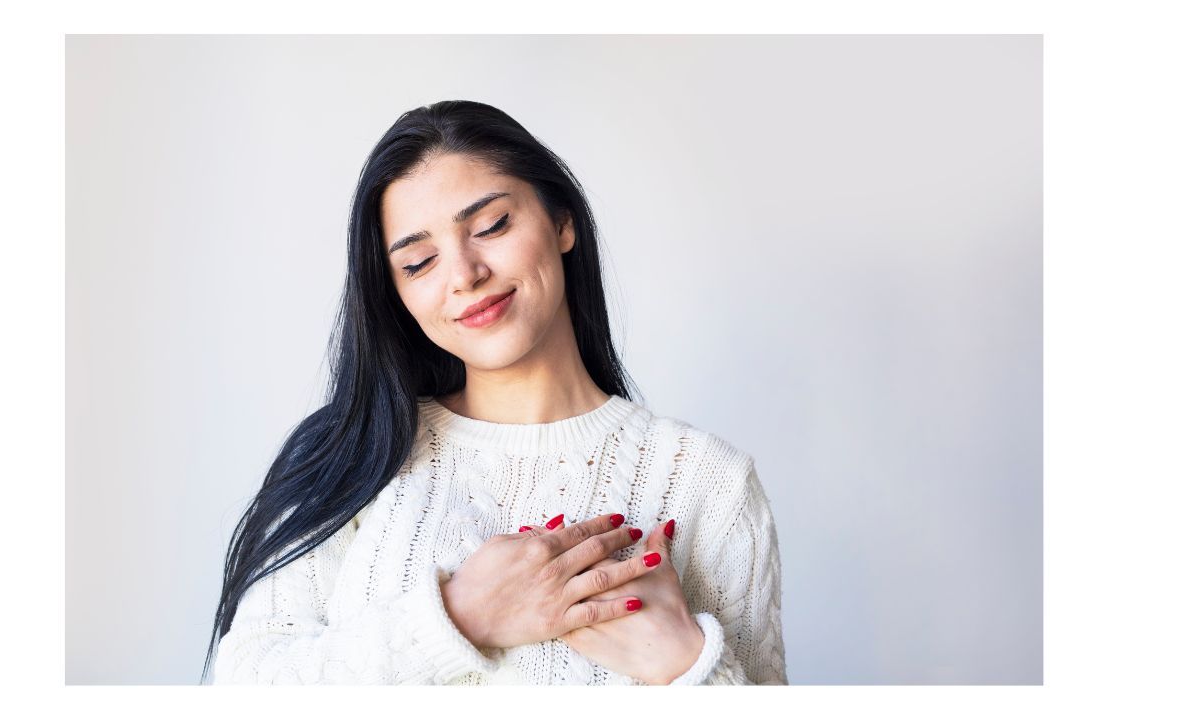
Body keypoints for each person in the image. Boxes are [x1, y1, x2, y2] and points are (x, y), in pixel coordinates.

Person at [201, 100, 788, 685]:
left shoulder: (710, 483)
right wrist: (460, 617)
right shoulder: (352, 455)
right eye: (420, 261)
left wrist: (684, 663)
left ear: (562, 223)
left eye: (490, 227)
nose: (464, 275)